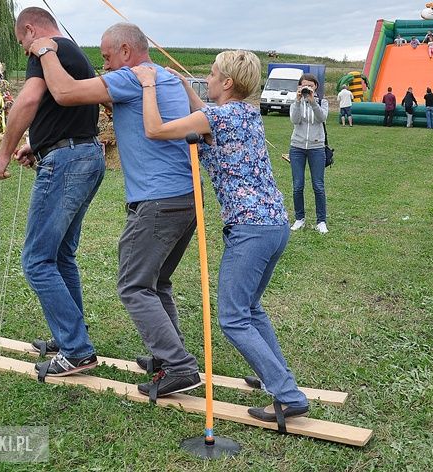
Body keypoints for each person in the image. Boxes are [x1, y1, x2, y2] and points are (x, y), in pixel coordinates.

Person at [132, 50, 311, 422]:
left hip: (249, 229)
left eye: (211, 74)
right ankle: (274, 379)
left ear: (227, 82)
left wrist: (149, 86)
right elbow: (208, 115)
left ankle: (287, 395)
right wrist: (184, 86)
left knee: (232, 317)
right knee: (250, 309)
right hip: (273, 224)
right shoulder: (245, 112)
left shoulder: (216, 116)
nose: (206, 79)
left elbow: (155, 130)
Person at [29, 23, 202, 398]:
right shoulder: (163, 79)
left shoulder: (130, 78)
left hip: (157, 201)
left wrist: (45, 50)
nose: (104, 65)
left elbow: (64, 92)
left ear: (126, 51)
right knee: (157, 282)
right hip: (187, 198)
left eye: (106, 57)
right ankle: (167, 356)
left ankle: (179, 366)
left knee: (134, 285)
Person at [0, 7, 105, 378]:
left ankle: (76, 350)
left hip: (68, 160)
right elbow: (64, 111)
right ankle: (70, 335)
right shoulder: (71, 50)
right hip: (85, 154)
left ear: (29, 29)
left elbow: (27, 101)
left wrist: (3, 152)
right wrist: (36, 147)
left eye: (22, 41)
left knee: (37, 260)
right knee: (61, 256)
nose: (25, 49)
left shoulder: (46, 47)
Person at [288, 73, 329, 234]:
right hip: (297, 147)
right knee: (298, 185)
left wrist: (313, 102)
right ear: (299, 86)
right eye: (304, 85)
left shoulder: (322, 102)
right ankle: (300, 218)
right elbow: (295, 120)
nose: (307, 88)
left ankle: (321, 221)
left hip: (317, 147)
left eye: (310, 86)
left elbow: (322, 117)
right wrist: (298, 101)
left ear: (315, 87)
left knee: (318, 186)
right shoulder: (295, 102)